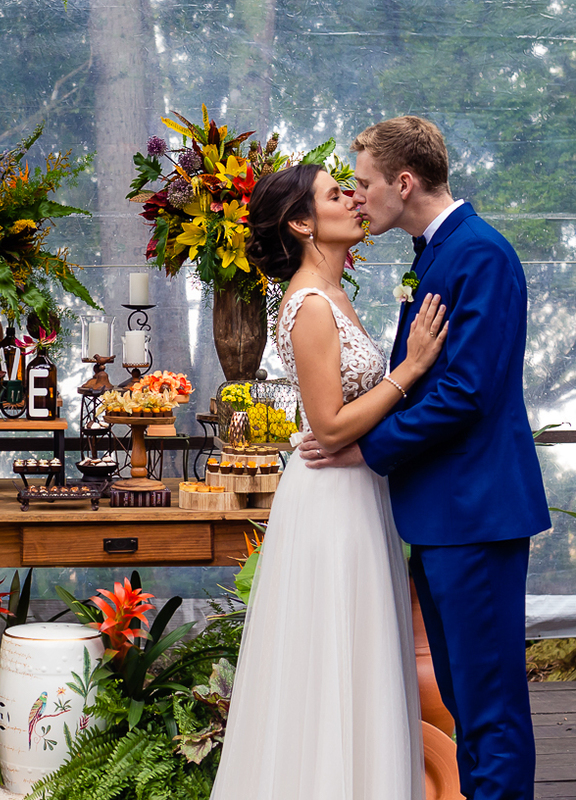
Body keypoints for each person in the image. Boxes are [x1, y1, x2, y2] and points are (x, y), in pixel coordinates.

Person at [300, 116, 549, 800]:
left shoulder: (481, 255)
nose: (356, 198)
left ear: (403, 183)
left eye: (363, 183)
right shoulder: (435, 255)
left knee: (490, 708)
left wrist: (363, 449)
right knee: (467, 706)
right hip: (442, 518)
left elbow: (467, 394)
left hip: (476, 516)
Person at [209, 162, 449, 800]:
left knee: (362, 659)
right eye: (334, 194)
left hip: (360, 495)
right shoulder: (310, 305)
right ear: (302, 222)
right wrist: (414, 368)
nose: (352, 198)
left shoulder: (339, 295)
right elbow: (330, 423)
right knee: (330, 659)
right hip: (330, 503)